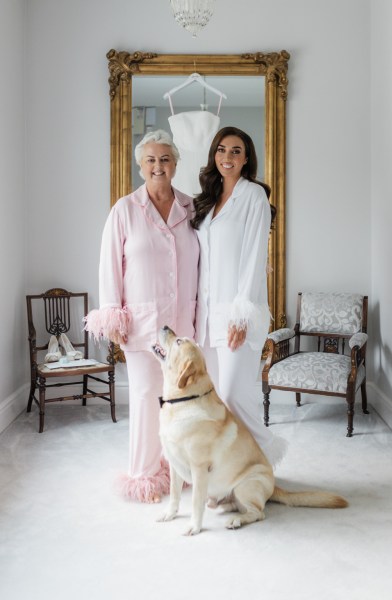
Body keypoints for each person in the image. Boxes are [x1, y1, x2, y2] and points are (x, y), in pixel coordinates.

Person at [85, 130, 199, 503]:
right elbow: (109, 268)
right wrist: (114, 318)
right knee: (147, 397)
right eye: (150, 159)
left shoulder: (191, 207)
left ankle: (179, 469)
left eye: (165, 159)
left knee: (182, 401)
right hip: (142, 325)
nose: (158, 166)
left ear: (176, 163)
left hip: (183, 325)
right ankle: (144, 475)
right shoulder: (124, 209)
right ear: (140, 164)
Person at [191, 126, 286, 466]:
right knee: (217, 400)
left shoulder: (254, 197)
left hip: (238, 314)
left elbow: (254, 258)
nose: (226, 157)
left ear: (246, 159)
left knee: (234, 394)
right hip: (208, 316)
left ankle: (263, 459)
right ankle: (231, 471)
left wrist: (241, 316)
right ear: (213, 155)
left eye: (235, 151)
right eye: (221, 150)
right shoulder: (207, 202)